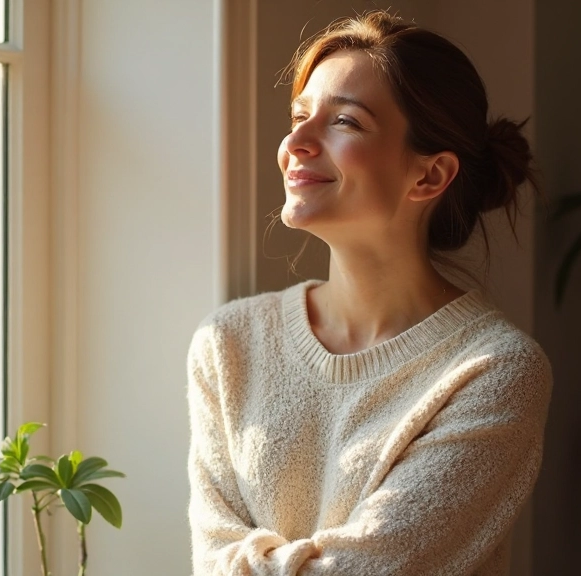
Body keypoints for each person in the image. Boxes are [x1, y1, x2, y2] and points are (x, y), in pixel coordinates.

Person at [187, 10, 552, 576]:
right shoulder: (229, 343)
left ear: (429, 176)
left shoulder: (495, 371)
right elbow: (208, 560)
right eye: (299, 116)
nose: (296, 142)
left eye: (345, 122)